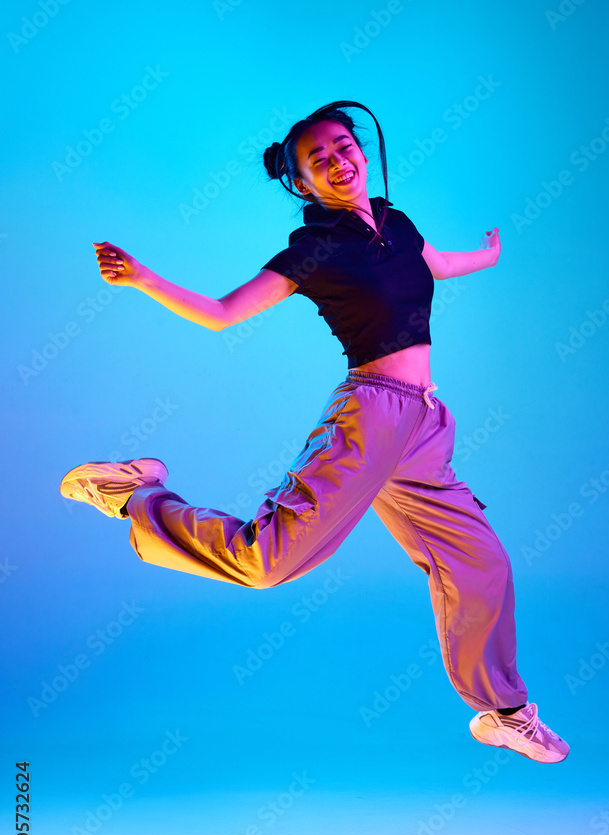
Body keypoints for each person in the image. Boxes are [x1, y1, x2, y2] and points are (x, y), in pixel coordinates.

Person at [60, 100, 569, 764]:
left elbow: (434, 264)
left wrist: (488, 255)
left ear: (363, 150)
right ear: (301, 183)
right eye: (316, 159)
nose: (336, 161)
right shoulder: (316, 248)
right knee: (267, 562)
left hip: (422, 424)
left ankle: (503, 712)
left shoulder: (397, 225)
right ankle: (132, 495)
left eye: (341, 146)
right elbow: (221, 313)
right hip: (372, 416)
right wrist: (143, 278)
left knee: (479, 563)